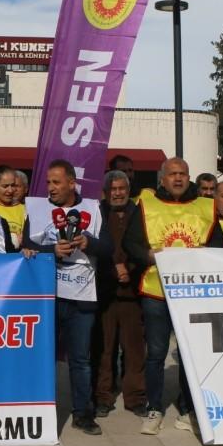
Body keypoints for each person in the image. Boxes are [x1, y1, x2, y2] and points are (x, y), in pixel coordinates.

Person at [123, 157, 223, 435]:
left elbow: (217, 243)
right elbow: (129, 242)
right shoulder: (146, 204)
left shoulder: (206, 205)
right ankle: (154, 407)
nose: (178, 179)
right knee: (155, 353)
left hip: (194, 293)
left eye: (183, 174)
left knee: (190, 354)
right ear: (162, 179)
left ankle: (188, 407)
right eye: (172, 174)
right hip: (156, 290)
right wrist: (146, 255)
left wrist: (207, 256)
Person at [23, 159, 105, 435]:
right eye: (48, 182)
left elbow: (109, 247)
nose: (51, 187)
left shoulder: (92, 208)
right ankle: (38, 410)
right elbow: (26, 246)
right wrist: (50, 251)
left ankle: (83, 412)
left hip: (82, 294)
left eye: (56, 182)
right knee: (42, 356)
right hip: (47, 295)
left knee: (80, 359)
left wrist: (89, 242)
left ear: (72, 183)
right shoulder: (36, 209)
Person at [93, 170, 147, 418]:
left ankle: (135, 397)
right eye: (113, 189)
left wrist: (130, 270)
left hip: (133, 291)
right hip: (103, 289)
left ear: (128, 190)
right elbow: (93, 247)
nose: (117, 193)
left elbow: (144, 247)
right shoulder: (96, 212)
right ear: (105, 192)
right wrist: (115, 270)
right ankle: (103, 395)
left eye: (121, 188)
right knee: (104, 348)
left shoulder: (140, 213)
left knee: (134, 349)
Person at [0, 165, 26, 249]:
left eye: (13, 185)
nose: (10, 190)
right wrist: (14, 239)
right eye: (5, 186)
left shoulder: (23, 209)